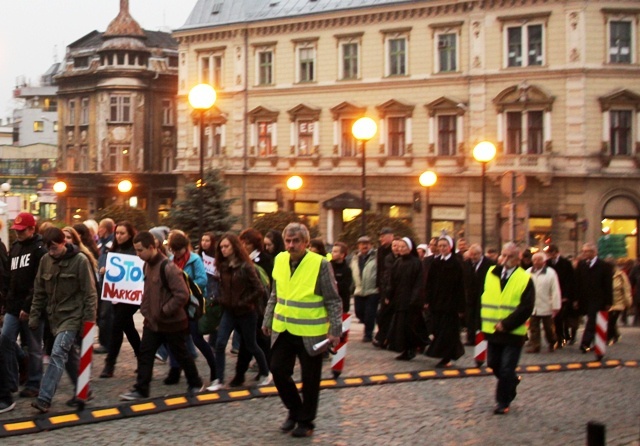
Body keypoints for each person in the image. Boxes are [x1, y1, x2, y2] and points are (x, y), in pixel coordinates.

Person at [262, 223, 342, 438]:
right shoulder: (279, 259)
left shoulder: (320, 264)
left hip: (310, 331)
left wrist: (335, 330)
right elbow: (275, 294)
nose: (291, 245)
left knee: (310, 379)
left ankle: (306, 421)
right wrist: (267, 318)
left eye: (296, 241)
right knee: (277, 369)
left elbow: (333, 300)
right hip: (284, 327)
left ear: (306, 243)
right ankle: (295, 410)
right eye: (288, 240)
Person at [120, 231, 203, 400]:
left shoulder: (169, 267)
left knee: (181, 353)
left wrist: (164, 310)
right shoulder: (147, 265)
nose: (138, 254)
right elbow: (148, 291)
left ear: (152, 247)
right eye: (136, 250)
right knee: (145, 353)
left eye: (140, 250)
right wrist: (146, 310)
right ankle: (141, 389)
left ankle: (195, 382)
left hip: (172, 322)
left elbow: (182, 294)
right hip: (153, 322)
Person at [29, 227, 98, 413]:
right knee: (69, 357)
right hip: (54, 318)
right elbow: (39, 291)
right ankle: (84, 389)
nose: (51, 252)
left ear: (63, 243)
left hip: (73, 316)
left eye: (54, 248)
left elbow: (90, 294)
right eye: (48, 248)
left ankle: (44, 398)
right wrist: (34, 316)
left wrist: (89, 323)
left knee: (58, 352)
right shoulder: (45, 261)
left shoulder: (80, 261)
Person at [208, 233, 271, 391]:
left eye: (226, 246)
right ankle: (218, 379)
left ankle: (266, 372)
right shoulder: (222, 266)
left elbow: (259, 289)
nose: (223, 249)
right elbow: (224, 288)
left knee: (251, 344)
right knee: (220, 343)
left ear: (235, 247)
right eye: (221, 247)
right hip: (229, 311)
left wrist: (244, 301)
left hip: (246, 312)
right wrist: (220, 299)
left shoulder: (246, 266)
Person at [481, 242, 534, 415]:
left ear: (517, 259)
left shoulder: (524, 278)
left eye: (509, 256)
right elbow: (485, 297)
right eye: (503, 255)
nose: (504, 259)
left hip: (513, 332)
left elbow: (526, 308)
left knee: (506, 368)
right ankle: (511, 382)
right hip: (492, 330)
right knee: (494, 364)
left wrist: (507, 324)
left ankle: (502, 402)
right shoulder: (491, 273)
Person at [0, 212, 47, 402]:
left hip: (33, 307)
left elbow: (39, 282)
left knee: (34, 347)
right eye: (16, 230)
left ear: (31, 229)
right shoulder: (16, 247)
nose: (18, 234)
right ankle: (10, 381)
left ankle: (34, 384)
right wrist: (6, 304)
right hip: (13, 305)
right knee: (5, 341)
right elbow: (11, 278)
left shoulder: (39, 249)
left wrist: (28, 306)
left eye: (21, 230)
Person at [163, 232, 216, 387]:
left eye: (178, 250)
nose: (176, 254)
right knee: (173, 337)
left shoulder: (195, 260)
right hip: (178, 304)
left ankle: (214, 369)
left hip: (193, 304)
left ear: (185, 248)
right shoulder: (171, 260)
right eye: (173, 250)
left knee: (197, 338)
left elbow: (202, 280)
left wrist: (185, 285)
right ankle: (175, 369)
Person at [100, 221, 141, 378]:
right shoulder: (114, 249)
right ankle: (143, 358)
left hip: (130, 296)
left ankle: (109, 365)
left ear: (130, 234)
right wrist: (105, 271)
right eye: (117, 233)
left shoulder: (135, 250)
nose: (119, 236)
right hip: (117, 296)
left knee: (117, 326)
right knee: (128, 328)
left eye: (122, 233)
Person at [424, 236, 465, 367]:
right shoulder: (436, 263)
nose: (442, 248)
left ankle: (446, 357)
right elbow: (429, 283)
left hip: (450, 305)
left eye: (444, 246)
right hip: (437, 303)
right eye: (440, 246)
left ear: (450, 247)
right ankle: (445, 354)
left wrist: (460, 307)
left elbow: (461, 286)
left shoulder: (456, 263)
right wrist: (427, 299)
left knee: (448, 332)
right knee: (438, 329)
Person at [386, 237, 426, 360]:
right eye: (400, 247)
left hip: (410, 302)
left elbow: (419, 283)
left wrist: (414, 299)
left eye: (404, 247)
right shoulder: (398, 262)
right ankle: (404, 349)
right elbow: (392, 281)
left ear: (410, 248)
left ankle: (411, 349)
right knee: (400, 328)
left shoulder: (416, 263)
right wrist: (389, 295)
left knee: (410, 327)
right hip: (399, 300)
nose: (401, 249)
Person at [575, 243, 613, 353]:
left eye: (587, 251)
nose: (585, 254)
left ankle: (585, 343)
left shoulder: (604, 266)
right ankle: (595, 342)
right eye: (584, 251)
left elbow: (608, 285)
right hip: (584, 298)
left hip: (598, 298)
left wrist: (609, 301)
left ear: (594, 252)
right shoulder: (581, 264)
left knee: (592, 320)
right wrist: (576, 299)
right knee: (593, 321)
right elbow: (577, 282)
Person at [525, 252, 561, 353]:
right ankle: (535, 346)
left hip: (546, 305)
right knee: (533, 328)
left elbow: (555, 290)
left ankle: (552, 342)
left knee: (548, 328)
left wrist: (556, 305)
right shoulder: (527, 272)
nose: (536, 262)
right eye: (534, 260)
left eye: (539, 260)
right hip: (533, 306)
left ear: (544, 261)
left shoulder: (551, 273)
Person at [545, 244, 577, 346]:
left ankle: (565, 336)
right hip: (552, 294)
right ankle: (559, 338)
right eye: (549, 253)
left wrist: (567, 296)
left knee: (563, 317)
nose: (550, 255)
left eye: (552, 253)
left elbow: (570, 280)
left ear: (556, 252)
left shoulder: (566, 263)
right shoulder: (547, 263)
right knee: (556, 318)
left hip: (564, 294)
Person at [464, 243, 495, 346]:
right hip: (470, 295)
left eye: (475, 255)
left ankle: (481, 338)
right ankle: (471, 338)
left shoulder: (489, 264)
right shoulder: (467, 263)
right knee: (470, 317)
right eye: (471, 255)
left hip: (483, 294)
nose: (473, 257)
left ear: (480, 254)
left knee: (480, 318)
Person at [350, 236, 378, 342]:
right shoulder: (355, 258)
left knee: (369, 313)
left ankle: (368, 334)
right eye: (362, 244)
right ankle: (369, 323)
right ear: (358, 246)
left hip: (372, 290)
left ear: (371, 245)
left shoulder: (375, 257)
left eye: (366, 243)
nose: (364, 246)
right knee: (359, 312)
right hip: (359, 290)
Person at [95, 218, 115, 354]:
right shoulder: (100, 244)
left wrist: (106, 269)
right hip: (100, 283)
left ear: (106, 229)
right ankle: (105, 342)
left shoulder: (112, 245)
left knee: (106, 315)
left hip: (108, 284)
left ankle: (107, 343)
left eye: (100, 228)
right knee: (101, 314)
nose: (98, 230)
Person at [373, 227, 395, 348]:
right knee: (382, 314)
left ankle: (384, 338)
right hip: (382, 285)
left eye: (383, 236)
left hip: (391, 287)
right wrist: (378, 284)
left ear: (390, 236)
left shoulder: (394, 249)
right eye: (380, 236)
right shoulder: (381, 250)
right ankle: (382, 336)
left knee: (385, 314)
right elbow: (380, 269)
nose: (380, 238)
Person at [608, 259, 632, 344]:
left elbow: (626, 289)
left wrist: (628, 302)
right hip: (608, 303)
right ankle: (615, 335)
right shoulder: (605, 275)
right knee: (610, 320)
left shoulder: (620, 275)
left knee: (611, 321)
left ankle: (610, 337)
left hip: (619, 303)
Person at [329, 242, 353, 313]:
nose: (332, 253)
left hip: (343, 304)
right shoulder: (328, 266)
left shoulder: (347, 270)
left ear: (342, 255)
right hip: (329, 304)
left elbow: (345, 286)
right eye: (332, 251)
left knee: (344, 324)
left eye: (335, 251)